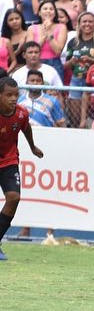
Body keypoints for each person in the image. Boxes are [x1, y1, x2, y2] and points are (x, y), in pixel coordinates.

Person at [0, 75, 44, 260]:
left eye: (15, 95)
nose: (13, 98)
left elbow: (26, 128)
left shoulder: (21, 113)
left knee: (14, 197)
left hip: (9, 161)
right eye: (8, 95)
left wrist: (32, 147)